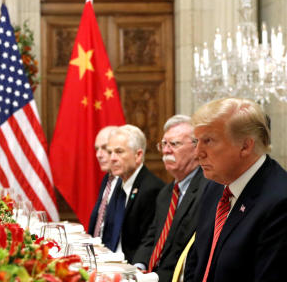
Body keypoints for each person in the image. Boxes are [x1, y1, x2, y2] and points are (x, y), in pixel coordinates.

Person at [185, 98, 287, 282]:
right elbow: (197, 260)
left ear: (245, 146)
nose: (197, 152)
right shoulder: (214, 186)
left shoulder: (280, 202)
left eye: (208, 141)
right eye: (196, 141)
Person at [132, 115, 207, 282]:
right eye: (164, 144)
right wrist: (138, 267)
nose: (166, 150)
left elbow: (186, 252)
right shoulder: (166, 193)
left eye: (174, 144)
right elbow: (151, 238)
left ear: (196, 148)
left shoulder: (207, 190)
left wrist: (154, 278)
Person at [102, 124, 164, 263]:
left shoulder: (151, 188)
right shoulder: (118, 183)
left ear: (138, 155)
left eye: (119, 152)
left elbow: (147, 242)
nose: (112, 158)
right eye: (110, 152)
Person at [88, 125, 120, 237]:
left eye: (104, 148)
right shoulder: (107, 179)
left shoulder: (126, 182)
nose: (98, 155)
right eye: (97, 149)